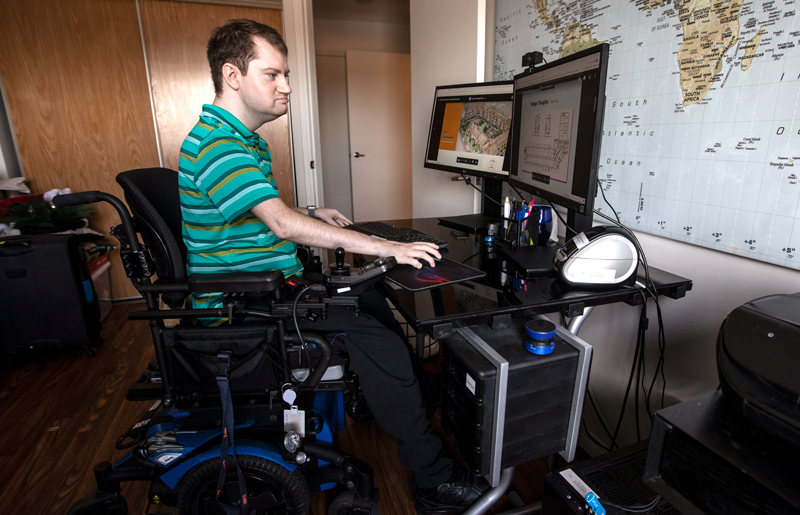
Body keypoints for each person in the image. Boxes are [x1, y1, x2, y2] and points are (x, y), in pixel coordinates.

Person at [178, 18, 487, 514]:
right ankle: (432, 480)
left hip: (270, 285)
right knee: (383, 340)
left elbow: (260, 217)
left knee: (373, 300)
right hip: (248, 304)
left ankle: (396, 399)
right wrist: (380, 246)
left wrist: (310, 212)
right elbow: (279, 226)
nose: (287, 86)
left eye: (286, 75)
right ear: (232, 76)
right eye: (273, 75)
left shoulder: (242, 140)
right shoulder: (219, 144)